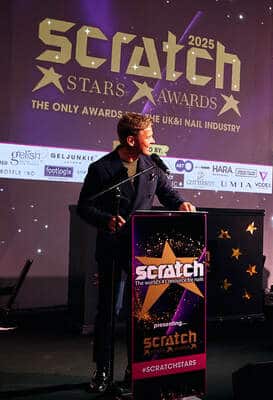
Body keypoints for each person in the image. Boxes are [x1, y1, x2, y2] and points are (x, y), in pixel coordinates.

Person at [77, 112, 196, 393]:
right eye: (149, 136)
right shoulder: (101, 169)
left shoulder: (152, 166)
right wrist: (106, 219)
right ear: (131, 139)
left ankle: (136, 370)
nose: (153, 140)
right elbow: (84, 207)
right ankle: (103, 371)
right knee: (108, 311)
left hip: (142, 251)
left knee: (140, 313)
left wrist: (181, 204)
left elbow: (168, 194)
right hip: (111, 248)